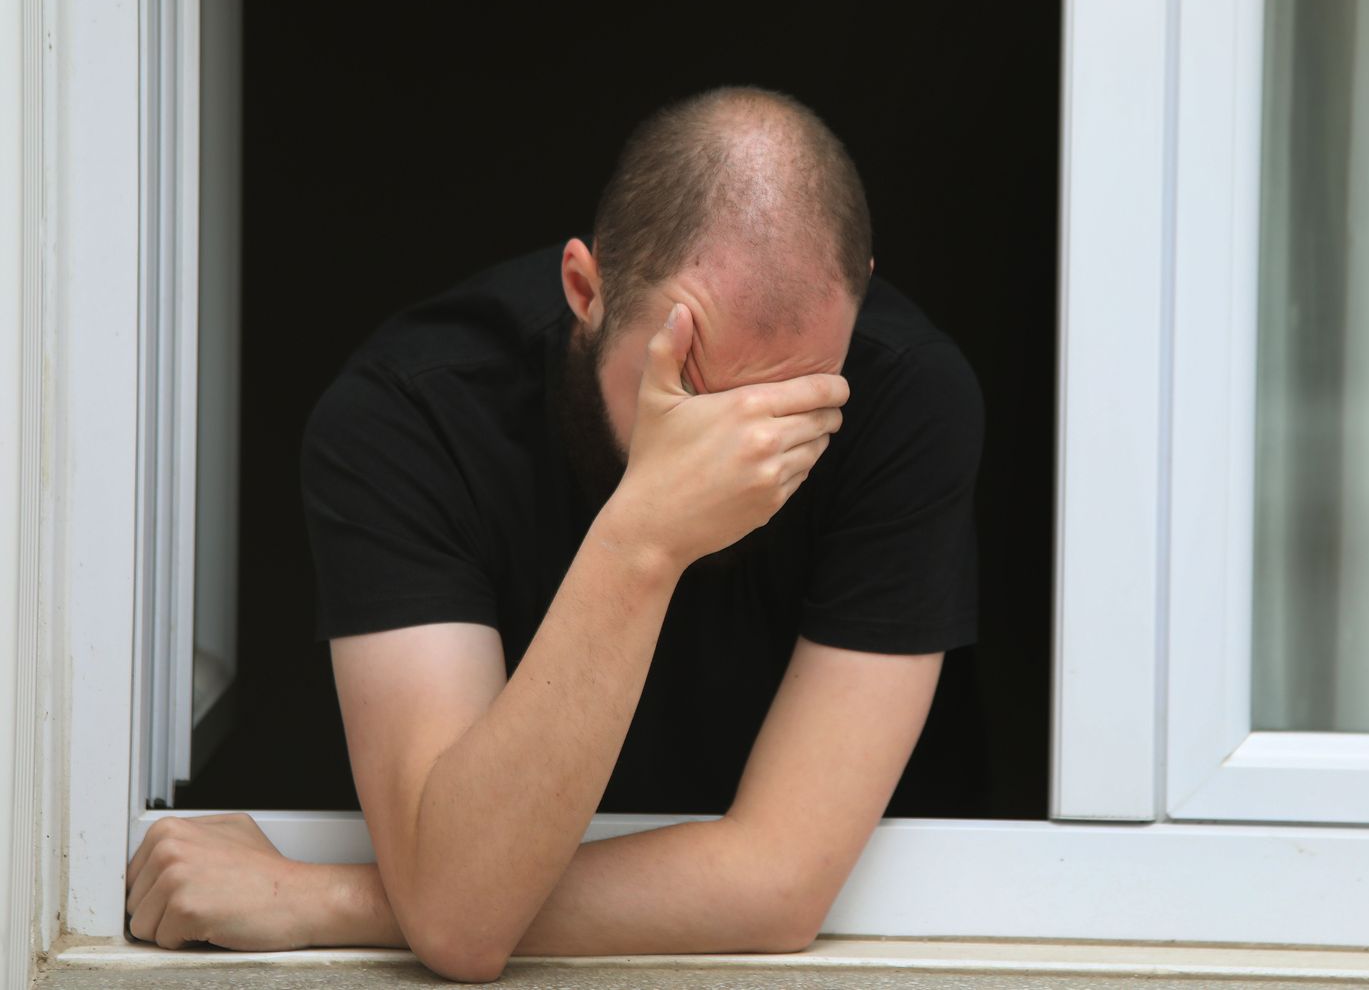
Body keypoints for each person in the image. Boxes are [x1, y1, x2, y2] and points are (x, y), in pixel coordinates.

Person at [123, 86, 984, 981]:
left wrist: (326, 898)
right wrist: (645, 536)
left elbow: (776, 883)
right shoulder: (409, 415)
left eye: (796, 402)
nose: (740, 450)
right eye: (694, 389)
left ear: (860, 299)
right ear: (586, 288)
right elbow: (460, 913)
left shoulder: (904, 393)